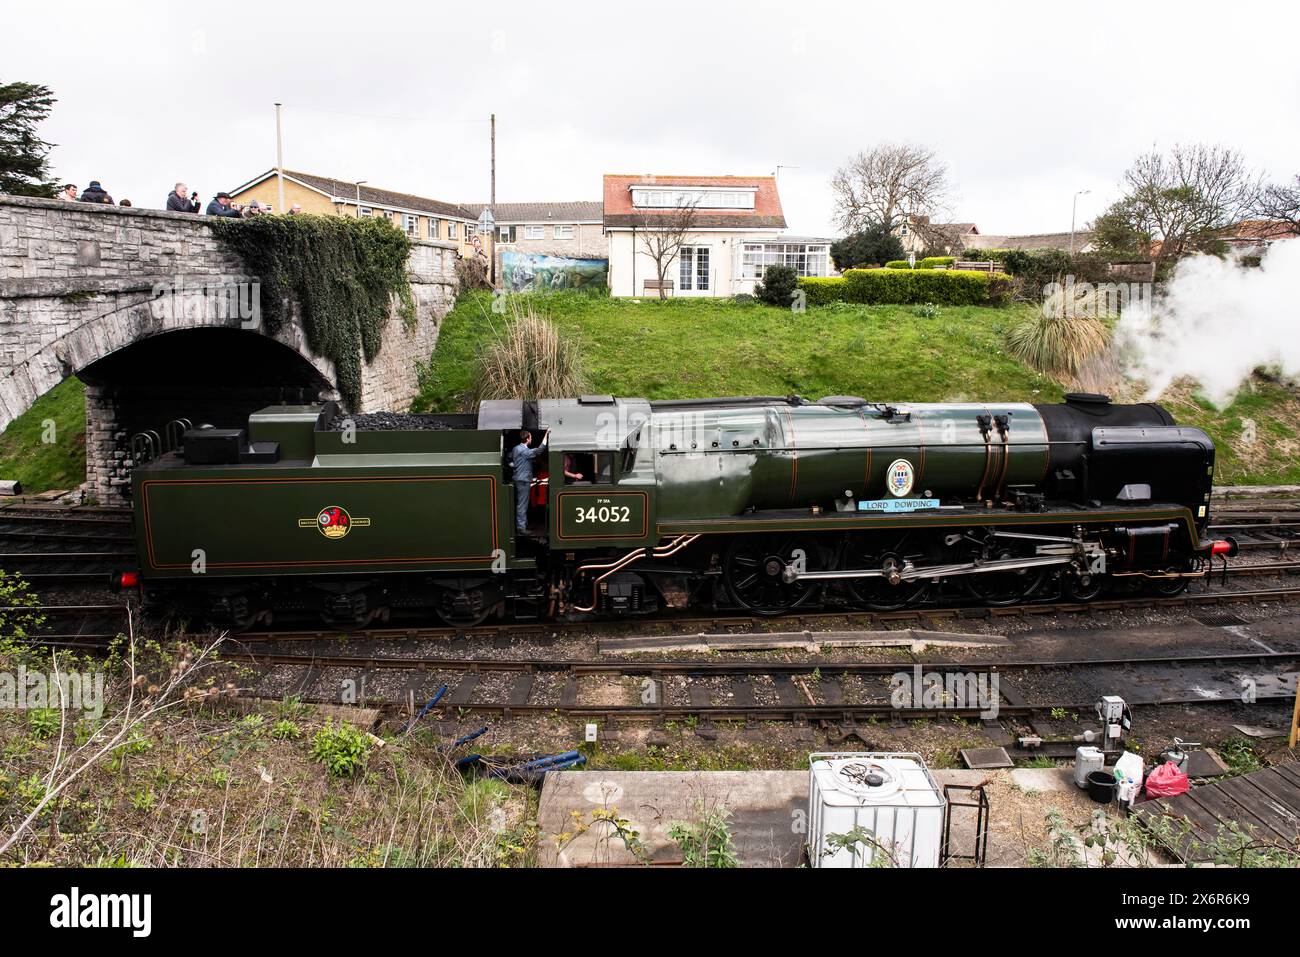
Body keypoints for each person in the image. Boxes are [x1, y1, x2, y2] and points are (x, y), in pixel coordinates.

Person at [509, 428, 549, 534]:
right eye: (531, 437)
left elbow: (510, 459)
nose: (531, 439)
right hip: (523, 480)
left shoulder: (515, 448)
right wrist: (546, 434)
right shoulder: (524, 450)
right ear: (527, 439)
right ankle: (521, 528)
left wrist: (515, 467)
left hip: (519, 478)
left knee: (521, 503)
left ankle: (523, 524)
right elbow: (539, 450)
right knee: (522, 504)